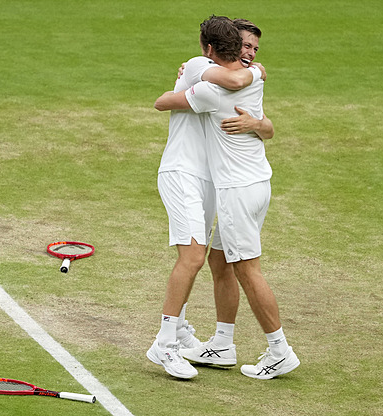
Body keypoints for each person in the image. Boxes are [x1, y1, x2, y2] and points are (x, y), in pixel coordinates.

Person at [154, 21, 300, 380]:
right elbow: (251, 100)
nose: (251, 54)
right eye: (247, 47)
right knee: (218, 261)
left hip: (234, 189)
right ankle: (222, 343)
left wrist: (190, 77)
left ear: (208, 48)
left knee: (246, 269)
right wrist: (257, 75)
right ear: (236, 47)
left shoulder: (208, 85)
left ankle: (280, 350)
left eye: (256, 51)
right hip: (255, 184)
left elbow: (162, 102)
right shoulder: (250, 78)